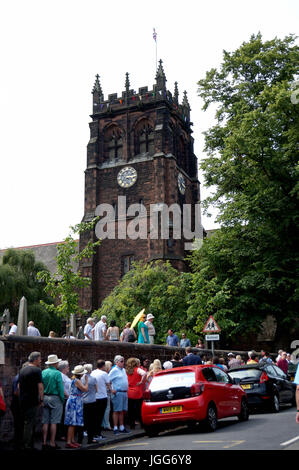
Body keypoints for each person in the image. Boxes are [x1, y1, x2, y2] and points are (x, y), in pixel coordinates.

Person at [18, 352, 43, 450]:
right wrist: (41, 399)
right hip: (32, 400)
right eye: (40, 359)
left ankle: (25, 443)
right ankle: (27, 445)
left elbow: (19, 386)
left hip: (22, 399)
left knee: (24, 422)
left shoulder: (22, 370)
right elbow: (40, 387)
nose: (41, 361)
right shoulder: (37, 370)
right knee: (29, 423)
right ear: (36, 359)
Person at [42, 354, 65, 450]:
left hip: (45, 397)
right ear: (55, 363)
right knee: (54, 422)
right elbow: (60, 388)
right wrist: (62, 399)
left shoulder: (43, 372)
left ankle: (44, 442)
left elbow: (41, 386)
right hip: (55, 398)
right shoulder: (57, 373)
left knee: (45, 421)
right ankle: (52, 442)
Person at [64, 365, 89, 448]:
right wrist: (87, 381)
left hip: (75, 400)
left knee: (74, 423)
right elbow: (85, 389)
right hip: (74, 401)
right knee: (72, 423)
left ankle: (72, 440)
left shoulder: (74, 379)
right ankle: (68, 441)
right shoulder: (77, 381)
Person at [108, 355, 130, 435]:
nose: (123, 363)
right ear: (116, 362)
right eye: (121, 361)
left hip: (124, 392)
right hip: (118, 392)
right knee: (116, 410)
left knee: (122, 410)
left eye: (123, 361)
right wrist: (111, 389)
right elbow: (107, 380)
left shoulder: (123, 370)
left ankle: (122, 427)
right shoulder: (114, 370)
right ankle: (115, 427)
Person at [77, 364, 98, 445]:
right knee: (91, 422)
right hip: (92, 402)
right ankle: (90, 439)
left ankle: (80, 439)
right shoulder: (93, 379)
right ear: (91, 370)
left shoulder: (80, 379)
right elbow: (96, 390)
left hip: (82, 402)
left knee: (82, 421)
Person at [91, 359, 111, 440]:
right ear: (103, 366)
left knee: (94, 416)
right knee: (100, 416)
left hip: (94, 397)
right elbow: (108, 383)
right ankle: (98, 434)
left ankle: (94, 433)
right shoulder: (104, 374)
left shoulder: (93, 372)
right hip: (102, 397)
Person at [125, 358, 147, 429]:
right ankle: (142, 424)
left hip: (129, 391)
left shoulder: (126, 371)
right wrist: (141, 381)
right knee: (139, 409)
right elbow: (144, 373)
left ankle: (132, 425)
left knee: (130, 410)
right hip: (137, 391)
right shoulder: (137, 369)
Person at [57, 360, 72, 441]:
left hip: (67, 399)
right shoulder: (61, 376)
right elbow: (61, 388)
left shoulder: (65, 375)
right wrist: (67, 395)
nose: (69, 368)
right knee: (62, 417)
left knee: (65, 417)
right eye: (67, 366)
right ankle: (61, 435)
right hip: (64, 399)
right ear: (63, 368)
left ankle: (64, 434)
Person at [102, 361, 113, 431]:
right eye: (111, 366)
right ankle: (107, 424)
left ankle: (104, 424)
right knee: (107, 409)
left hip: (104, 393)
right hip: (107, 394)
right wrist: (112, 390)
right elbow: (108, 385)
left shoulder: (104, 374)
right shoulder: (106, 374)